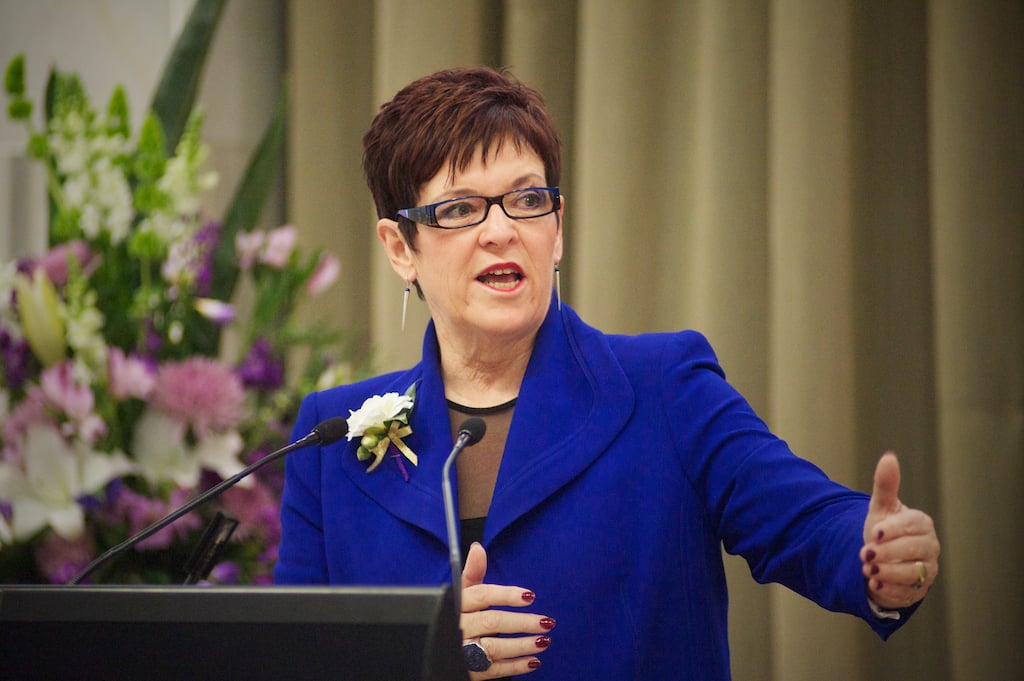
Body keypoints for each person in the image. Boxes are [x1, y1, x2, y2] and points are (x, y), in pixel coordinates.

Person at [274, 67, 940, 680]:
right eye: (460, 208)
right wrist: (422, 656)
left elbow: (806, 522)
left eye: (526, 198)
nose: (501, 231)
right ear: (400, 247)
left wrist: (875, 551)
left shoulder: (664, 387)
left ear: (557, 227)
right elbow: (297, 659)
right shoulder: (330, 440)